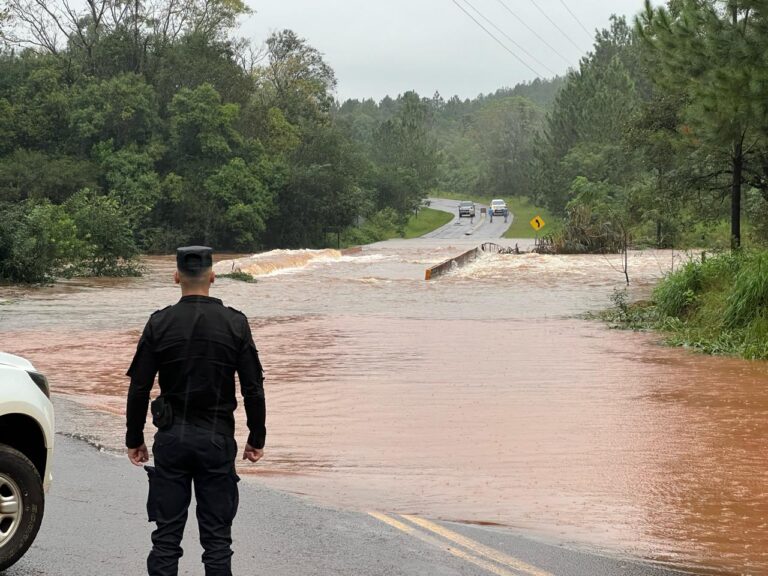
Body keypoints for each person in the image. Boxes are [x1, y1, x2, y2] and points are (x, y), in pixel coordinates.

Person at [125, 246, 266, 576]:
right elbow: (253, 388)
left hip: (172, 440)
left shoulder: (159, 323)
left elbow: (139, 388)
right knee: (217, 541)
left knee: (165, 539)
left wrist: (135, 437)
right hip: (217, 441)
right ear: (213, 277)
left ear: (176, 277)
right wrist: (256, 437)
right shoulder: (235, 323)